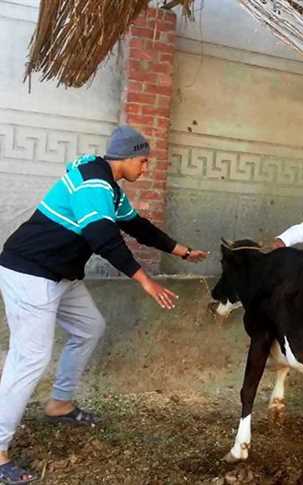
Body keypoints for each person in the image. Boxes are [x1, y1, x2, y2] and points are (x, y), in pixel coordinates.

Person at [0, 126, 208, 483]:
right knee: (29, 358)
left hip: (60, 274)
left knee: (89, 327)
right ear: (126, 157)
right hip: (30, 272)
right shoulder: (93, 183)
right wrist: (144, 280)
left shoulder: (110, 188)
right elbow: (102, 237)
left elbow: (137, 226)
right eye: (143, 161)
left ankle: (60, 403)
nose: (146, 168)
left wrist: (182, 251)